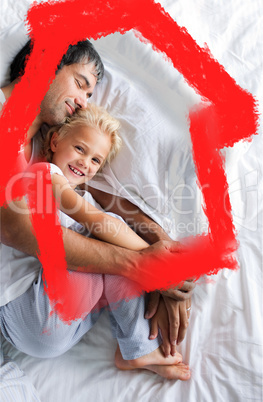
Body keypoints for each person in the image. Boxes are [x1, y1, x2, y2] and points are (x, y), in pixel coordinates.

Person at [0, 38, 195, 380]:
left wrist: (163, 251)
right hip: (23, 306)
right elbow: (16, 228)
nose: (82, 102)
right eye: (80, 84)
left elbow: (104, 200)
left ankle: (138, 346)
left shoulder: (45, 143)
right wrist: (145, 265)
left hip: (55, 312)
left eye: (90, 95)